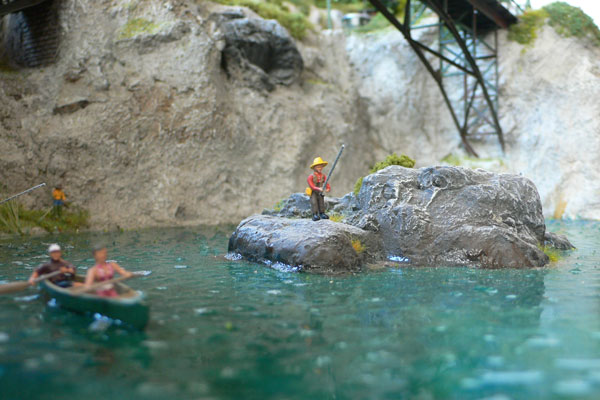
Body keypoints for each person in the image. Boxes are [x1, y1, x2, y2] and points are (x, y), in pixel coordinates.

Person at [306, 157, 331, 221]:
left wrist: (328, 188)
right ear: (314, 168)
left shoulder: (323, 176)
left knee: (321, 202)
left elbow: (326, 182)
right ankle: (315, 214)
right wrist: (317, 188)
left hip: (320, 191)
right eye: (318, 167)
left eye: (321, 167)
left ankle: (322, 213)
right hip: (313, 192)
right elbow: (311, 186)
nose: (320, 168)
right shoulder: (311, 176)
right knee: (314, 202)